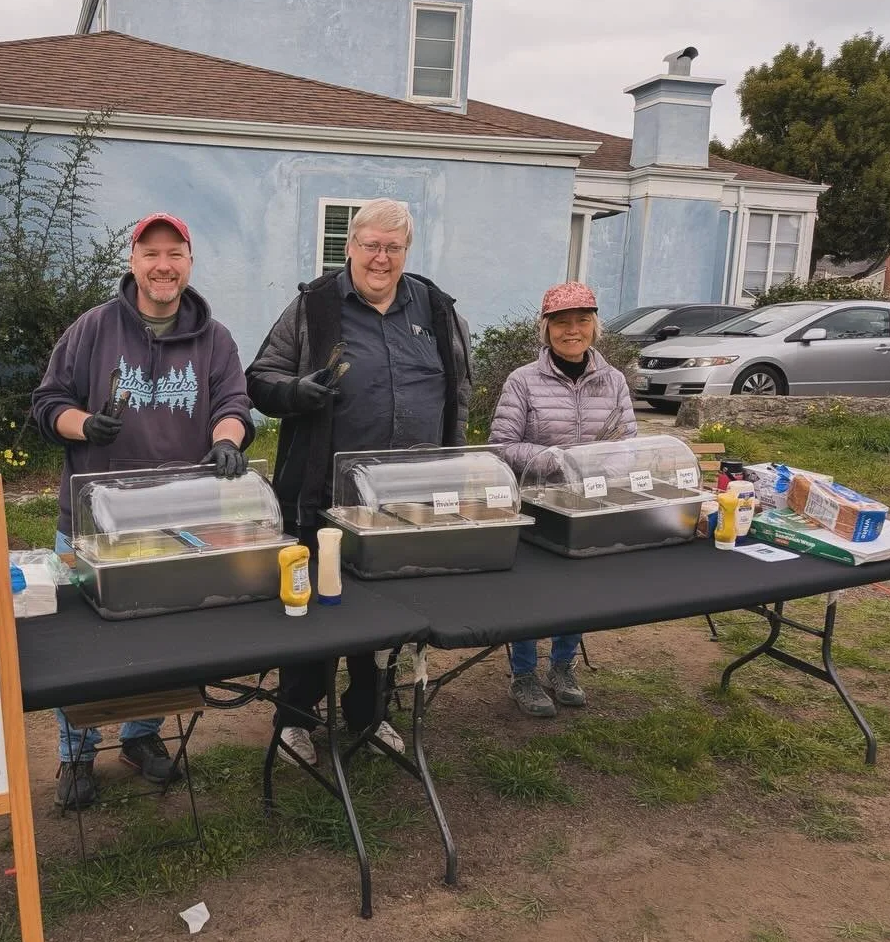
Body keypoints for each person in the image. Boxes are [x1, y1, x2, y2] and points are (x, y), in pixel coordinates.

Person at [30, 212, 254, 808]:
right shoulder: (93, 329)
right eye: (151, 253)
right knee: (80, 646)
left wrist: (227, 439)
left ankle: (142, 737)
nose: (163, 265)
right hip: (90, 519)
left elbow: (233, 403)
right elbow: (47, 403)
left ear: (189, 262)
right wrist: (84, 424)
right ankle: (76, 752)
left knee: (165, 639)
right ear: (133, 261)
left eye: (174, 253)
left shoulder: (216, 339)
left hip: (179, 521)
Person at [246, 199, 471, 764]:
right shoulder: (314, 307)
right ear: (349, 246)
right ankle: (296, 719)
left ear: (406, 252)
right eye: (371, 245)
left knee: (389, 611)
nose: (381, 257)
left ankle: (369, 716)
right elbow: (260, 378)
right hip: (323, 495)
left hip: (405, 501)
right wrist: (297, 392)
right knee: (315, 608)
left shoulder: (437, 310)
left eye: (393, 248)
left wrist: (455, 469)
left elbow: (458, 393)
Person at [489, 280, 637, 717]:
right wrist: (556, 460)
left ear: (594, 327)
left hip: (590, 502)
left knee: (579, 589)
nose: (572, 330)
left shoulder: (613, 382)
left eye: (582, 321)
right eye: (562, 323)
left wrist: (595, 468)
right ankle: (524, 673)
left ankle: (563, 665)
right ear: (546, 329)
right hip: (536, 503)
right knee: (532, 591)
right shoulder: (524, 381)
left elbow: (627, 443)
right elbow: (501, 446)